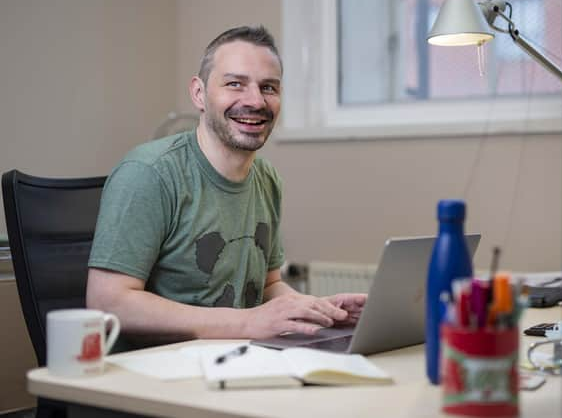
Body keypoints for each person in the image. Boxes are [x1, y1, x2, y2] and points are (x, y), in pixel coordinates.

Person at [86, 25, 366, 345]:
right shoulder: (149, 173)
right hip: (156, 374)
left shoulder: (267, 178)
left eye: (269, 87)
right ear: (199, 93)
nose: (255, 101)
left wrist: (318, 311)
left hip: (234, 362)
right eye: (235, 84)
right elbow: (107, 303)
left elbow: (268, 285)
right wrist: (246, 322)